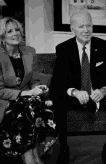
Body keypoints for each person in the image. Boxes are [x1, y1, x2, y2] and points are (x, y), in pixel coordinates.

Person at [49, 10, 106, 163]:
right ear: (72, 29)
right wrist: (74, 92)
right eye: (81, 26)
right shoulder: (63, 49)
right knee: (58, 100)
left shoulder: (104, 46)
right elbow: (58, 83)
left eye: (89, 25)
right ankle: (64, 148)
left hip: (98, 94)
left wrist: (104, 90)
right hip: (76, 96)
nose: (86, 30)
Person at [0, 17, 59, 164]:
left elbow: (33, 80)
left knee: (46, 103)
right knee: (30, 107)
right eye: (10, 31)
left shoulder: (29, 51)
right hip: (6, 101)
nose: (16, 33)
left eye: (17, 29)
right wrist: (26, 94)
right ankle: (29, 156)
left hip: (26, 99)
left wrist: (37, 88)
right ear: (2, 36)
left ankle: (35, 152)